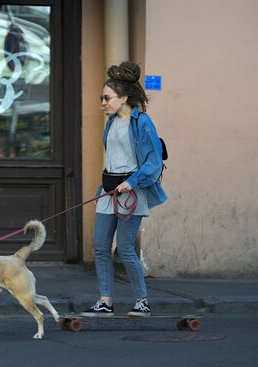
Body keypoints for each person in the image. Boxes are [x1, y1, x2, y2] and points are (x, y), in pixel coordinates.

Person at [82, 61, 167, 317]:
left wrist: (133, 182)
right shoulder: (110, 123)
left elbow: (153, 162)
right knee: (100, 246)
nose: (103, 103)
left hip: (132, 191)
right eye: (102, 98)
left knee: (126, 248)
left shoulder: (142, 122)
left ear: (124, 97)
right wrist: (101, 190)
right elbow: (112, 160)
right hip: (110, 191)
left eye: (107, 98)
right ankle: (105, 301)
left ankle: (142, 301)